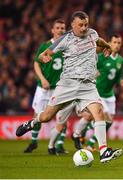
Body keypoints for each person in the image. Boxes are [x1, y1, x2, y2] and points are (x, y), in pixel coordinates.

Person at [16, 11, 122, 163]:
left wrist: (107, 46)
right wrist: (44, 57)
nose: (84, 28)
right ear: (73, 25)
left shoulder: (92, 33)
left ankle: (104, 151)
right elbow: (43, 55)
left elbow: (100, 41)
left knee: (99, 112)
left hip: (88, 85)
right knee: (46, 116)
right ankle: (32, 123)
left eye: (86, 24)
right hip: (68, 84)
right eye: (81, 25)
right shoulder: (65, 39)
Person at [74, 34, 123, 151]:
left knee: (109, 121)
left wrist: (121, 81)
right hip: (98, 93)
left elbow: (119, 76)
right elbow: (89, 67)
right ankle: (89, 142)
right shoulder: (102, 57)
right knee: (105, 118)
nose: (117, 45)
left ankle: (86, 134)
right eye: (114, 42)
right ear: (109, 42)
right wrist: (94, 73)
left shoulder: (120, 60)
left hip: (110, 94)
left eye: (119, 43)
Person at [24, 19, 67, 154]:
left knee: (62, 117)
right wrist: (42, 79)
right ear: (52, 30)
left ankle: (59, 145)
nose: (60, 30)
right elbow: (36, 63)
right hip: (44, 88)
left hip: (59, 89)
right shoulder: (45, 46)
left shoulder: (67, 47)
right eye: (58, 28)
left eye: (62, 28)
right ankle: (33, 142)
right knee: (38, 115)